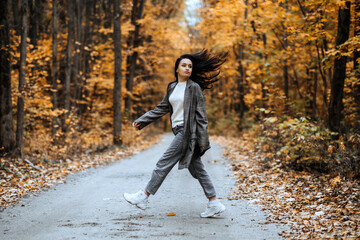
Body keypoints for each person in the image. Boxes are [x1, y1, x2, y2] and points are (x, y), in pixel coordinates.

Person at [123, 49, 227, 218]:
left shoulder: (195, 88)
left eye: (190, 66)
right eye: (184, 65)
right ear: (177, 69)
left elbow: (202, 117)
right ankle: (214, 202)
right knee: (198, 169)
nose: (187, 68)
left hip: (187, 132)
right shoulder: (172, 87)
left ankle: (144, 196)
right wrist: (143, 119)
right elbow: (162, 108)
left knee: (163, 163)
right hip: (179, 130)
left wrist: (203, 141)